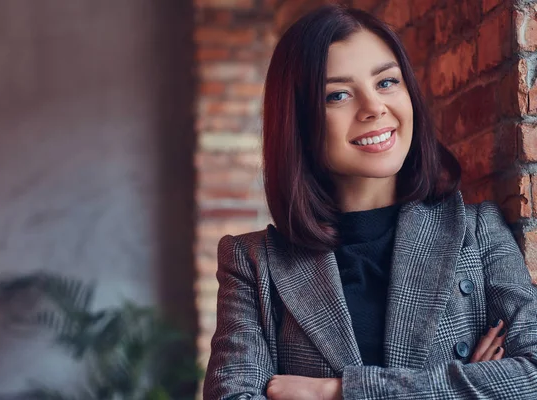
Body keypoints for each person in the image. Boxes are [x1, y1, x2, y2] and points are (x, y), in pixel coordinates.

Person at [202, 5, 537, 400]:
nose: (374, 107)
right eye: (338, 94)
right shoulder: (252, 262)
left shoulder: (476, 232)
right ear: (298, 121)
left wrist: (340, 391)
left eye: (386, 82)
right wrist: (463, 385)